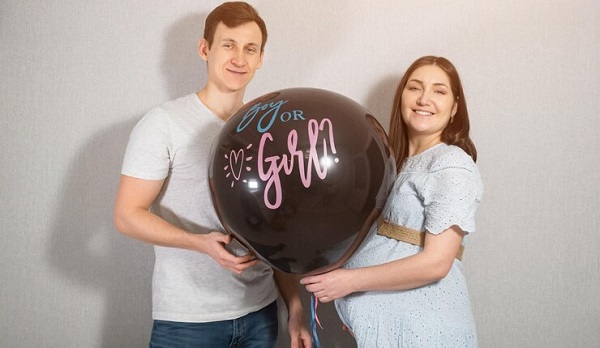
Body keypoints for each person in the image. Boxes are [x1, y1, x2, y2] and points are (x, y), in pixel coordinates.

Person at [113, 2, 311, 347]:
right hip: (189, 321)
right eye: (228, 45)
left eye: (250, 49)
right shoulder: (164, 124)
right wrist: (199, 243)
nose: (239, 58)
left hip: (260, 314)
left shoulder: (270, 129)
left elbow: (275, 230)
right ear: (205, 49)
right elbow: (127, 216)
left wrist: (295, 309)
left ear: (261, 58)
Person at [301, 56, 483, 347]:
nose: (425, 98)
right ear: (402, 97)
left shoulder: (451, 165)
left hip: (424, 332)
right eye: (415, 88)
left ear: (455, 108)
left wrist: (349, 281)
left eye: (439, 91)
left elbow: (436, 263)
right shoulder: (396, 164)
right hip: (387, 330)